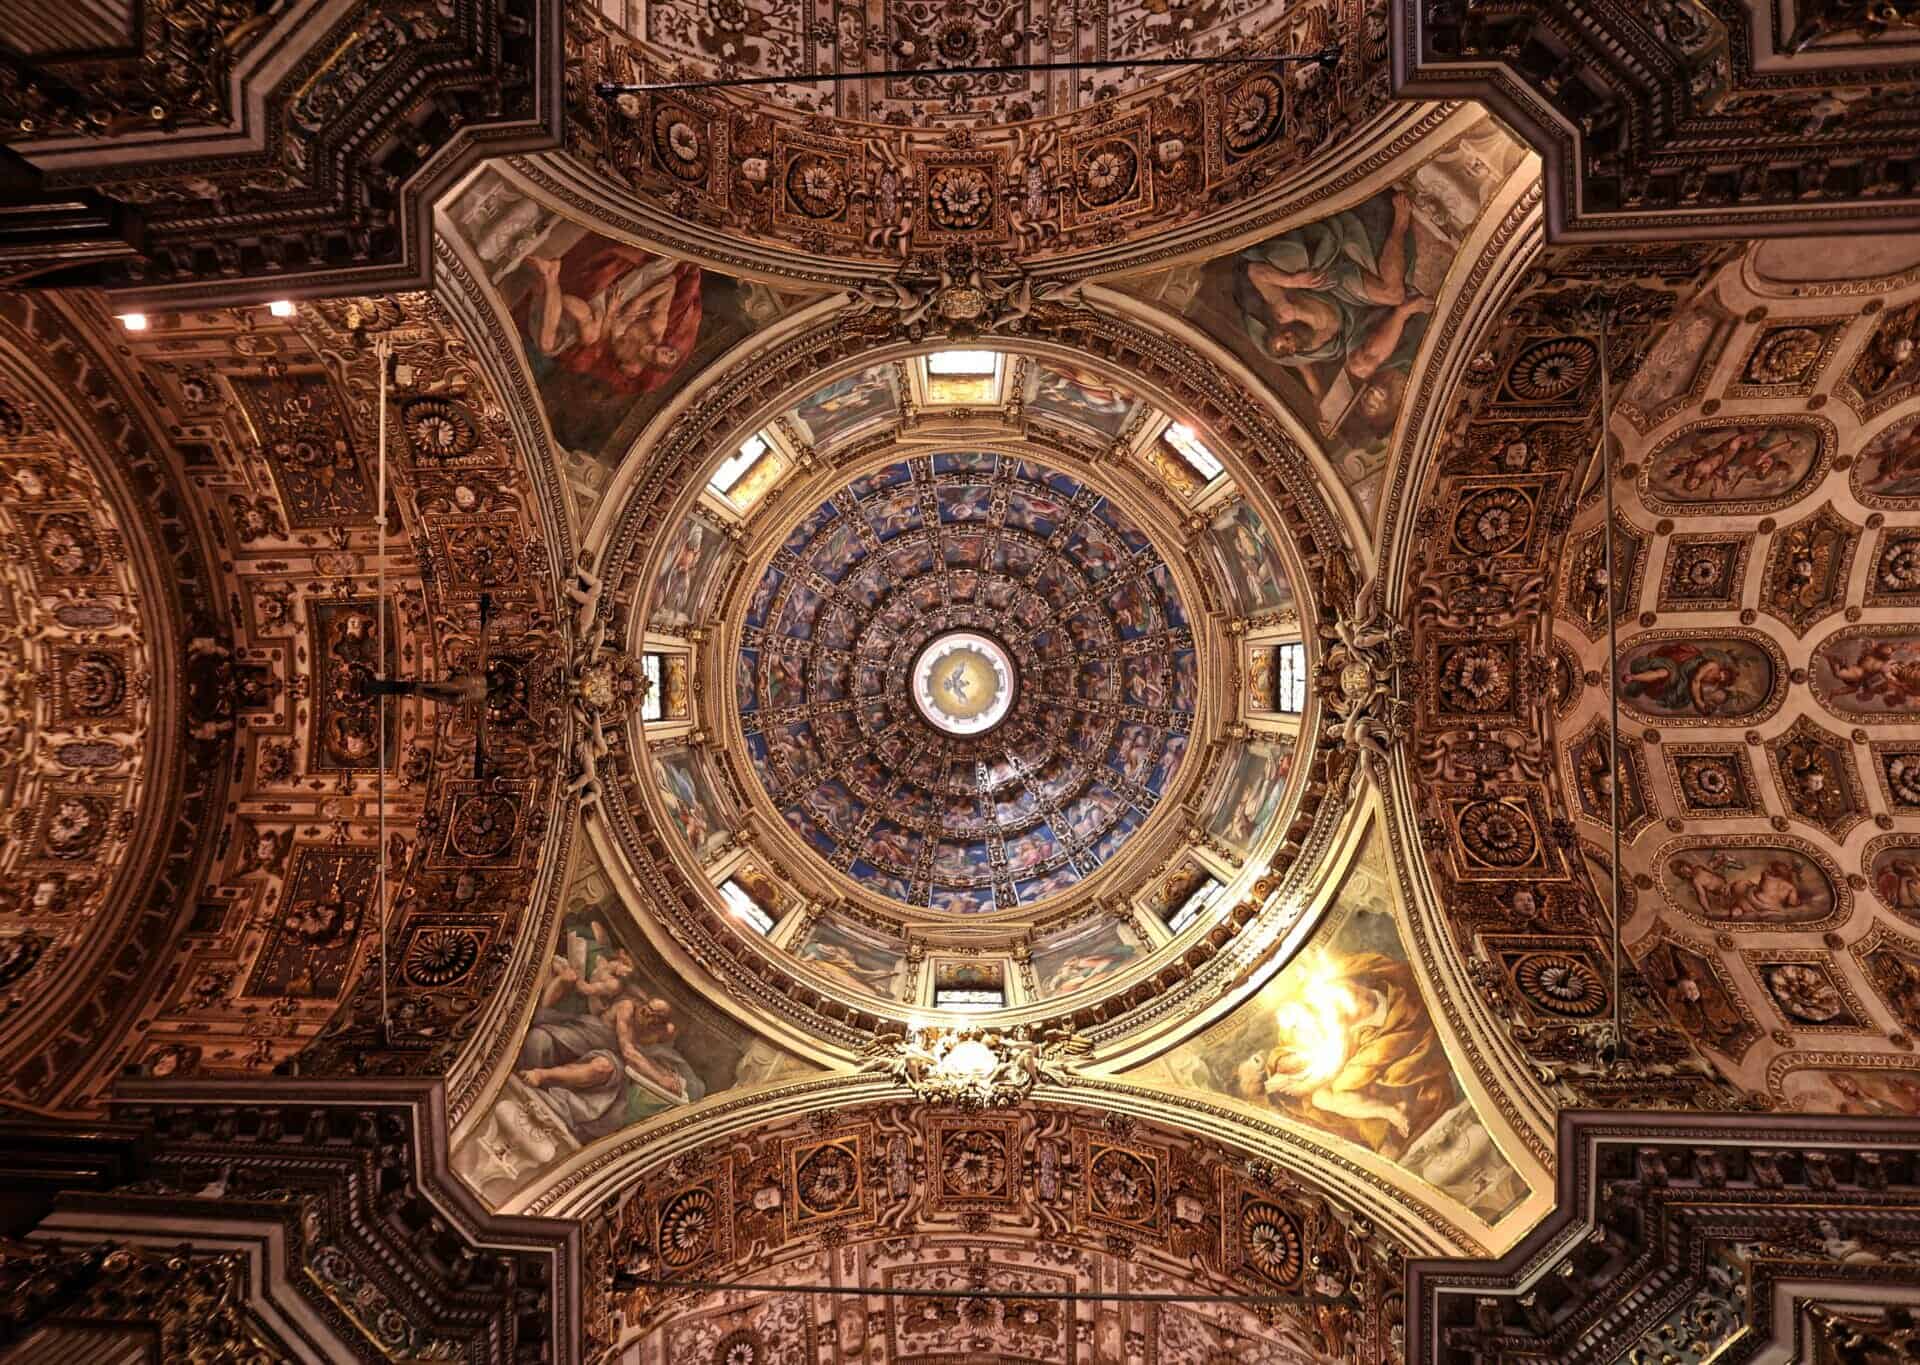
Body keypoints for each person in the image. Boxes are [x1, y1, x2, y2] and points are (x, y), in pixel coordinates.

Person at [1230, 951, 1453, 1158]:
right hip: (1360, 1036)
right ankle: (1389, 1113)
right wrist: (1299, 1082)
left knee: (1338, 1088)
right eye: (1262, 1083)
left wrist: (1301, 1082)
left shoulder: (1307, 1010)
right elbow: (1324, 1057)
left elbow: (1335, 1049)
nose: (1267, 1075)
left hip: (1387, 1018)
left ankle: (1390, 1116)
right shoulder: (1296, 1041)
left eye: (1259, 1068)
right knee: (1322, 1098)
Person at [1238, 189, 1435, 404]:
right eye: (1288, 344)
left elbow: (1254, 271)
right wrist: (1318, 394)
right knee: (1361, 366)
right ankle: (1401, 313)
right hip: (1352, 312)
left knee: (1393, 294)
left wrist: (1294, 281)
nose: (1289, 337)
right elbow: (1306, 369)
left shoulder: (1282, 309)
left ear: (1278, 327)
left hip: (1336, 282)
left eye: (1282, 335)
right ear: (1293, 351)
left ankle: (1400, 224)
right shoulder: (1307, 349)